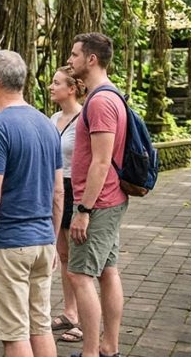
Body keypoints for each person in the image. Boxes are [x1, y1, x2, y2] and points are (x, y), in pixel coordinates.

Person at [0, 50, 63, 357]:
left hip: (9, 245)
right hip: (42, 242)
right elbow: (58, 192)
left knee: (14, 335)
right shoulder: (47, 124)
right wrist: (52, 239)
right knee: (40, 327)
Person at [66, 33, 128, 357]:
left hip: (99, 202)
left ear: (91, 59)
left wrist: (83, 209)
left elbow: (101, 161)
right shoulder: (108, 94)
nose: (70, 60)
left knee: (79, 275)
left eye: (75, 54)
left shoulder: (102, 101)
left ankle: (92, 352)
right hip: (110, 200)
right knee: (107, 271)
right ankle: (108, 347)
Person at [49, 66, 87, 344]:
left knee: (80, 259)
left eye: (56, 82)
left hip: (78, 188)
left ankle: (86, 321)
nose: (51, 86)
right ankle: (70, 312)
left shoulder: (85, 117)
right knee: (63, 255)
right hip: (56, 187)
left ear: (72, 88)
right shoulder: (53, 118)